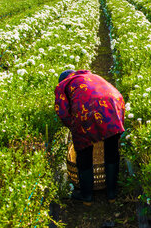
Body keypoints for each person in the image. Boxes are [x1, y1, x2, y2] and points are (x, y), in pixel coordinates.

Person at [55, 69, 125, 205]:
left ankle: (86, 196)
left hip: (86, 109)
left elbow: (62, 112)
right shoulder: (92, 76)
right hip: (114, 104)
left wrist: (73, 127)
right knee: (112, 151)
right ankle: (112, 194)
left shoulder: (63, 84)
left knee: (83, 151)